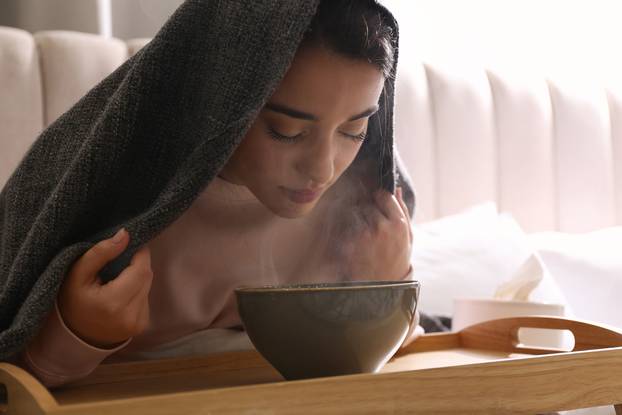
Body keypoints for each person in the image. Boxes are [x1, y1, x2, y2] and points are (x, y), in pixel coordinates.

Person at [3, 0, 423, 388]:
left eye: (355, 130)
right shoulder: (121, 189)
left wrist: (387, 286)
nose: (323, 169)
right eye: (287, 131)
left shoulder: (370, 200)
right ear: (224, 97)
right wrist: (76, 333)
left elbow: (406, 356)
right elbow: (18, 372)